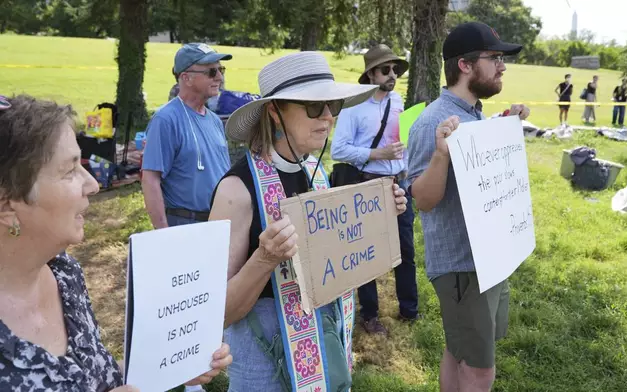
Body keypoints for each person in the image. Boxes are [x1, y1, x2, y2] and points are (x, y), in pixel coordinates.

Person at [0, 94, 232, 392]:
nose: (93, 185)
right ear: (7, 205)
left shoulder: (64, 273)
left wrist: (167, 364)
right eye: (70, 170)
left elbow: (91, 377)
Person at [209, 51, 409, 392]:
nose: (328, 116)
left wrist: (380, 216)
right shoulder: (235, 191)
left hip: (322, 348)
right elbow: (218, 313)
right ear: (275, 112)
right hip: (263, 367)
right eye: (315, 107)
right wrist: (265, 259)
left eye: (332, 105)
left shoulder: (316, 176)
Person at [407, 22, 531, 392]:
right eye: (494, 58)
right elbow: (423, 199)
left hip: (488, 260)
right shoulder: (432, 121)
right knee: (480, 371)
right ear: (464, 65)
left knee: (458, 348)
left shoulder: (474, 114)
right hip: (462, 266)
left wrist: (503, 129)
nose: (502, 66)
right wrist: (441, 154)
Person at [331, 44, 418, 336]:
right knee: (366, 255)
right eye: (385, 69)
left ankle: (410, 309)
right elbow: (339, 149)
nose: (392, 74)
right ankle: (369, 315)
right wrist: (377, 154)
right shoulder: (353, 106)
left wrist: (406, 153)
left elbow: (402, 142)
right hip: (368, 185)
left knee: (406, 248)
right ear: (370, 74)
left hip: (400, 183)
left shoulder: (398, 103)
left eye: (395, 69)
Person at [142, 43, 232, 232]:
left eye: (220, 69)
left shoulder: (215, 121)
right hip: (185, 225)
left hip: (219, 224)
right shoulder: (165, 120)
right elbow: (150, 180)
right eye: (211, 71)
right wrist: (163, 233)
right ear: (186, 78)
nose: (219, 77)